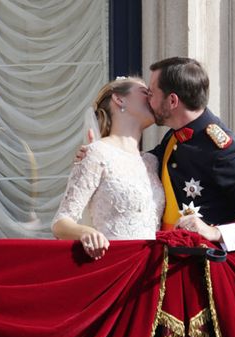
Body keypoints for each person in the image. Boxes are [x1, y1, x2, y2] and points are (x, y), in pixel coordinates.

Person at [76, 57, 235, 253]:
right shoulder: (174, 138)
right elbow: (140, 165)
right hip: (163, 264)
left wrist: (216, 233)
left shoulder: (223, 152)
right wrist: (101, 156)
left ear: (173, 101)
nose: (148, 99)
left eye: (151, 92)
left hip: (203, 272)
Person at [51, 77, 165, 260]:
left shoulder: (152, 161)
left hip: (150, 268)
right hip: (115, 262)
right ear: (119, 99)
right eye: (145, 92)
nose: (151, 98)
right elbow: (60, 223)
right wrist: (85, 232)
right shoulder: (96, 154)